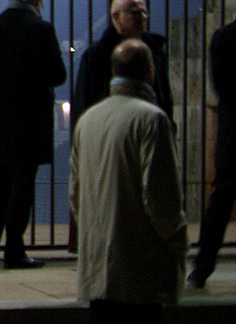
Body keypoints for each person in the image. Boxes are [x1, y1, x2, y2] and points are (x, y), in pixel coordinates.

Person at [71, 39, 187, 324]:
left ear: (113, 74)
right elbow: (160, 197)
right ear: (150, 72)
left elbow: (76, 194)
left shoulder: (88, 120)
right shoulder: (152, 120)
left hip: (97, 266)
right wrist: (178, 241)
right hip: (139, 267)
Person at [0, 0, 67, 268]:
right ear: (39, 1)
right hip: (33, 116)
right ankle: (15, 251)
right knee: (23, 183)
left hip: (1, 115)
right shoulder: (41, 29)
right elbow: (58, 75)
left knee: (0, 182)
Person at [190, 0, 236, 289]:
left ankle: (201, 268)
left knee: (221, 201)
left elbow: (218, 86)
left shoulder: (223, 37)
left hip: (234, 129)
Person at [73, 0, 173, 127]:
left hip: (149, 122)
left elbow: (165, 94)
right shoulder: (96, 55)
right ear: (116, 17)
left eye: (145, 13)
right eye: (136, 13)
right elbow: (84, 99)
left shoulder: (156, 50)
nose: (143, 18)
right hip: (112, 125)